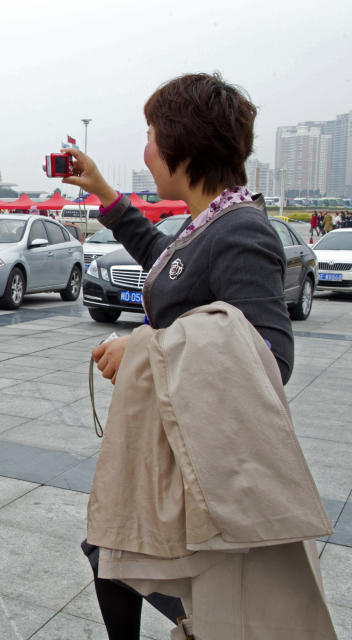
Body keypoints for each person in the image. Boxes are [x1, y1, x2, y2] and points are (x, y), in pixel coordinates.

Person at [61, 73, 335, 639]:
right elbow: (169, 260)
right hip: (177, 438)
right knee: (115, 547)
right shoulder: (209, 221)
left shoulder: (242, 231)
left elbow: (268, 355)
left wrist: (141, 348)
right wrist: (107, 195)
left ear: (181, 144)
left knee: (119, 550)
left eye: (151, 133)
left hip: (201, 453)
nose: (146, 147)